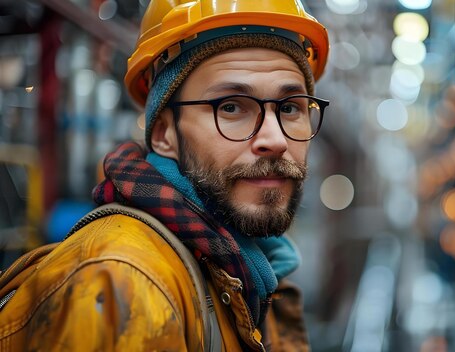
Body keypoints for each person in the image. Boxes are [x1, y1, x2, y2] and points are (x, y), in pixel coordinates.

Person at [0, 0, 329, 350]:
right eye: (231, 107)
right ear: (163, 134)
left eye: (290, 107)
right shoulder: (121, 283)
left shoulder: (256, 272)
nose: (276, 140)